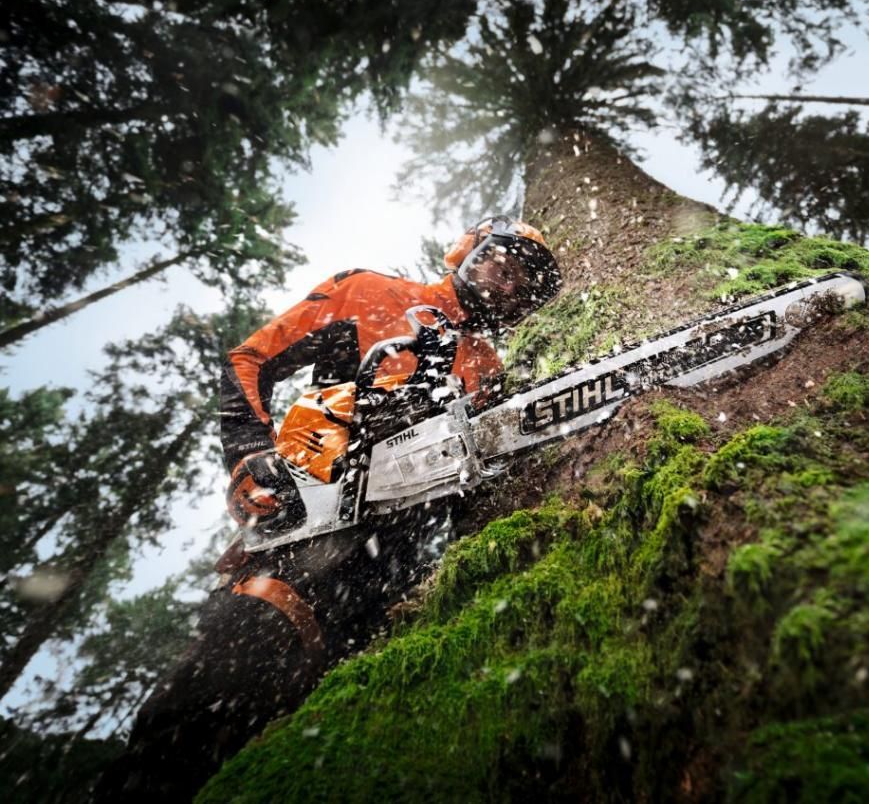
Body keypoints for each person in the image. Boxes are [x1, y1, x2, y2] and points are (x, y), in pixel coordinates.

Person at [94, 216, 562, 802]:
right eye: (503, 264)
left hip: (393, 587)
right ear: (467, 250)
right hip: (303, 546)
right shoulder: (372, 293)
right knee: (194, 724)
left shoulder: (489, 370)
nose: (508, 284)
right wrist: (249, 457)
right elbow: (248, 360)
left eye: (524, 283)